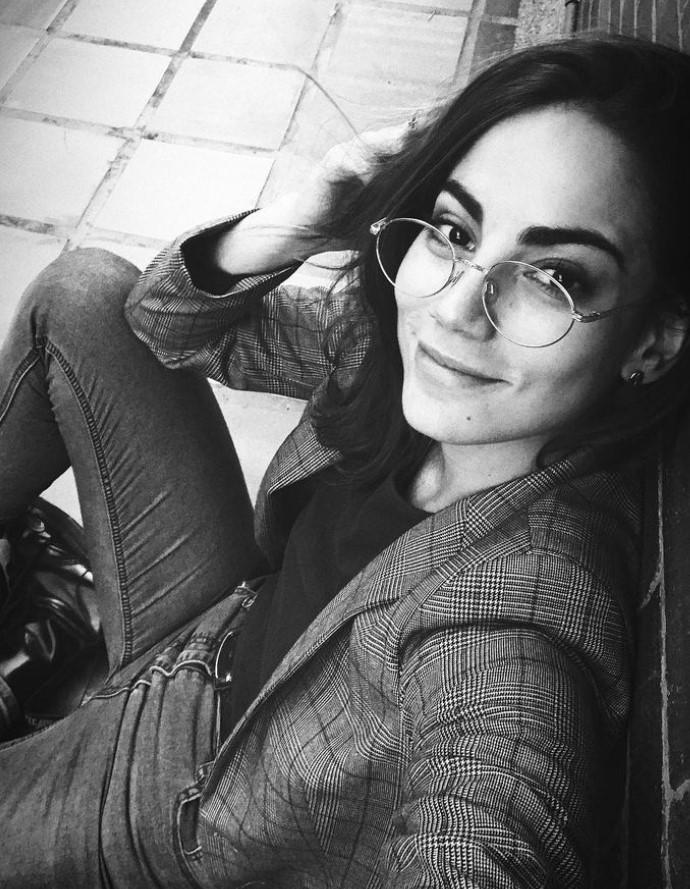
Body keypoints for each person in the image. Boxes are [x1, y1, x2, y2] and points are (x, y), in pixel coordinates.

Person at [0, 32, 689, 889]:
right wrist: (298, 219)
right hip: (225, 623)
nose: (457, 311)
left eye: (554, 277)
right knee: (81, 294)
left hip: (185, 791)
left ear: (654, 341)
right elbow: (162, 321)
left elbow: (490, 812)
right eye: (455, 229)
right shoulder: (398, 355)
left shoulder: (517, 613)